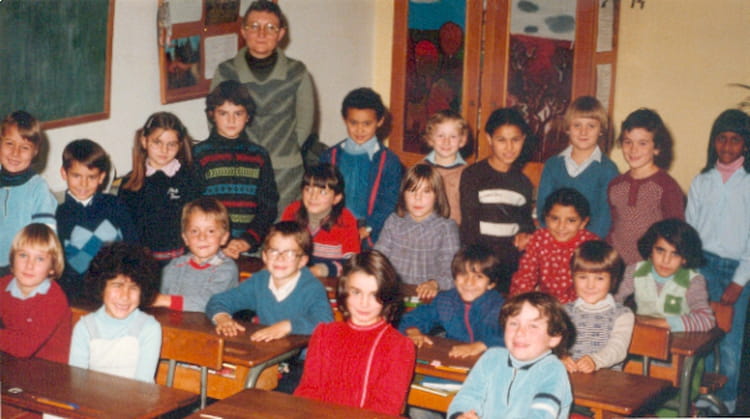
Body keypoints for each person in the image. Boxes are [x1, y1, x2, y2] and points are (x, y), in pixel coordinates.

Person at [211, 0, 314, 214]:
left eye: (270, 27)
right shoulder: (225, 72)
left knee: (284, 230)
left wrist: (284, 152)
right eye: (254, 26)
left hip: (285, 172)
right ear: (243, 31)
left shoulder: (297, 72)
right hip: (238, 168)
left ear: (281, 33)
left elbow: (305, 123)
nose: (261, 34)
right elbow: (216, 119)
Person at [205, 221, 333, 393]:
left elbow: (325, 322)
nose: (280, 258)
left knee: (274, 396)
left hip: (303, 363)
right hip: (269, 356)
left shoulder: (311, 287)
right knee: (225, 385)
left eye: (289, 253)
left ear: (302, 261)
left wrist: (287, 326)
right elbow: (219, 300)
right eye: (274, 251)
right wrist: (222, 317)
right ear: (264, 256)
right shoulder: (260, 281)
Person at [294, 250, 415, 416]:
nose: (364, 303)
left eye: (374, 295)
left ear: (387, 296)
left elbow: (385, 408)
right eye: (356, 292)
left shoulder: (399, 346)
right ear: (344, 291)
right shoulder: (324, 334)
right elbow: (307, 392)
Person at [686, 109, 750, 412]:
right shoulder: (703, 181)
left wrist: (738, 282)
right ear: (713, 142)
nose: (727, 146)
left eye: (735, 140)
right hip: (704, 267)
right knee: (699, 337)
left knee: (729, 344)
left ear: (746, 144)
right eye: (721, 138)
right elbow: (690, 231)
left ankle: (725, 408)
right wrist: (690, 272)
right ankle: (698, 403)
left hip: (739, 270)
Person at [447, 291, 572, 419]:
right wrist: (461, 415)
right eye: (514, 323)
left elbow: (542, 415)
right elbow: (468, 396)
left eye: (533, 326)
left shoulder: (552, 370)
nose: (520, 332)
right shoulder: (491, 358)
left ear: (554, 338)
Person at [193, 80, 278, 258]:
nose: (231, 120)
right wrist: (220, 241)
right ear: (212, 115)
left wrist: (247, 240)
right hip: (210, 247)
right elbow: (193, 205)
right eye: (223, 113)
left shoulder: (259, 155)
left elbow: (268, 206)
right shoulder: (199, 154)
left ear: (248, 116)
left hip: (250, 247)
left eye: (238, 113)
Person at [459, 107, 536, 294]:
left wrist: (526, 234)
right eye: (501, 140)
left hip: (510, 265)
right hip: (480, 264)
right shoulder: (473, 175)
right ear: (489, 139)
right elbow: (469, 225)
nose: (509, 147)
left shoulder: (523, 183)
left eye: (515, 140)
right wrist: (479, 267)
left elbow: (525, 222)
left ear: (524, 139)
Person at [56, 139, 138, 302]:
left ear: (101, 177)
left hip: (119, 291)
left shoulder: (115, 205)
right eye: (76, 176)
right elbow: (58, 264)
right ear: (64, 173)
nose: (83, 184)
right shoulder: (59, 214)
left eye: (91, 177)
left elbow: (133, 246)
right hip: (78, 296)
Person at [320, 87, 403, 248]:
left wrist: (368, 228)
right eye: (353, 123)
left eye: (367, 123)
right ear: (345, 120)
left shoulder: (389, 161)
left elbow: (389, 202)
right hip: (335, 225)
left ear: (380, 121)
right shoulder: (330, 156)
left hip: (371, 231)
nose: (359, 130)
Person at [69, 242, 162, 383]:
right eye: (117, 285)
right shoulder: (85, 328)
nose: (125, 296)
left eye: (133, 288)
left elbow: (143, 385)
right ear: (101, 286)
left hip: (135, 396)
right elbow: (77, 381)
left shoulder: (148, 327)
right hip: (91, 396)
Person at [118, 112, 203, 265]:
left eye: (171, 144)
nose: (164, 150)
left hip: (184, 260)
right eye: (157, 142)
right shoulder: (130, 183)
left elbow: (198, 223)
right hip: (146, 263)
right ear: (144, 141)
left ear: (180, 145)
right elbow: (127, 231)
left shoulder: (189, 177)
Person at [606, 108, 684, 264]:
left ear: (657, 148)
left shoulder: (667, 186)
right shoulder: (615, 185)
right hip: (616, 263)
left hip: (649, 266)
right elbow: (612, 225)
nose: (633, 149)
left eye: (642, 143)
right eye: (628, 142)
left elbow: (675, 234)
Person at [399, 243, 506, 357]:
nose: (469, 282)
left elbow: (513, 335)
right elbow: (414, 317)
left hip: (490, 359)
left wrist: (481, 345)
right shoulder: (445, 300)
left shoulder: (499, 306)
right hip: (454, 356)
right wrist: (413, 331)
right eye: (463, 274)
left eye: (478, 277)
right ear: (454, 278)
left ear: (491, 284)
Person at [536, 96, 619, 238]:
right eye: (577, 125)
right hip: (554, 240)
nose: (583, 132)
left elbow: (605, 217)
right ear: (568, 128)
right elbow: (542, 209)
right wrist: (555, 241)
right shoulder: (552, 165)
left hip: (589, 245)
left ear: (601, 130)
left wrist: (583, 245)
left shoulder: (608, 170)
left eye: (591, 126)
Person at [375, 164, 460, 300]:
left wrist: (435, 284)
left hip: (429, 296)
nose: (418, 198)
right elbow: (378, 259)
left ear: (437, 196)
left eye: (426, 192)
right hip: (395, 293)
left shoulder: (446, 228)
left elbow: (451, 270)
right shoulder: (393, 222)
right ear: (403, 194)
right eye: (412, 190)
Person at [614, 219, 715, 332]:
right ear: (650, 250)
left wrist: (654, 324)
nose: (666, 260)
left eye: (675, 254)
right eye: (660, 251)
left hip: (677, 339)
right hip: (642, 335)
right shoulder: (634, 271)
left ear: (685, 258)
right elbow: (611, 301)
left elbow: (706, 319)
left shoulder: (694, 281)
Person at [510, 187, 598, 304]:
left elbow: (596, 283)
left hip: (581, 303)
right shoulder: (539, 239)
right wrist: (520, 304)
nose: (561, 226)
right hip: (545, 302)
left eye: (571, 220)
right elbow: (525, 276)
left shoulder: (590, 244)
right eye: (555, 218)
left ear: (583, 222)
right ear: (546, 218)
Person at [0, 224, 70, 363]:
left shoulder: (54, 299)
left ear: (52, 267)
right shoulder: (4, 285)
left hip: (52, 368)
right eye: (23, 255)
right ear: (13, 259)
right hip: (14, 360)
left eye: (39, 259)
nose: (29, 265)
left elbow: (23, 347)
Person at [153, 197, 237, 312]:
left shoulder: (226, 268)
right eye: (194, 231)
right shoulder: (175, 266)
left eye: (211, 231)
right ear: (185, 238)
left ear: (224, 238)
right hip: (174, 321)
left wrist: (164, 300)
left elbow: (211, 302)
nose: (202, 237)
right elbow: (159, 297)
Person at [563, 240, 633, 373]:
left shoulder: (622, 314)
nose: (590, 286)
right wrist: (560, 357)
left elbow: (618, 348)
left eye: (599, 278)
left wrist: (596, 360)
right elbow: (549, 343)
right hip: (569, 377)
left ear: (613, 280)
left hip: (605, 380)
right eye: (583, 277)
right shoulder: (563, 311)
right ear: (572, 277)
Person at [0, 111, 57, 275]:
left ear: (35, 151)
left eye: (24, 147)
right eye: (9, 143)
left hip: (23, 269)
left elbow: (45, 235)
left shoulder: (38, 188)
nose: (15, 153)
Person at [280, 163, 360, 278]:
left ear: (336, 198)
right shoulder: (292, 211)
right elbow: (281, 248)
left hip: (330, 279)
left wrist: (321, 270)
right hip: (293, 275)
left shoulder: (346, 219)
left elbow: (351, 263)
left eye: (322, 192)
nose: (313, 197)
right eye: (308, 189)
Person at [422, 110, 469, 225]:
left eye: (453, 136)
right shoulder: (420, 169)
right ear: (430, 139)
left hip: (454, 231)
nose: (446, 142)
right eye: (440, 136)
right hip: (424, 230)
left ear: (462, 140)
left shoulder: (467, 173)